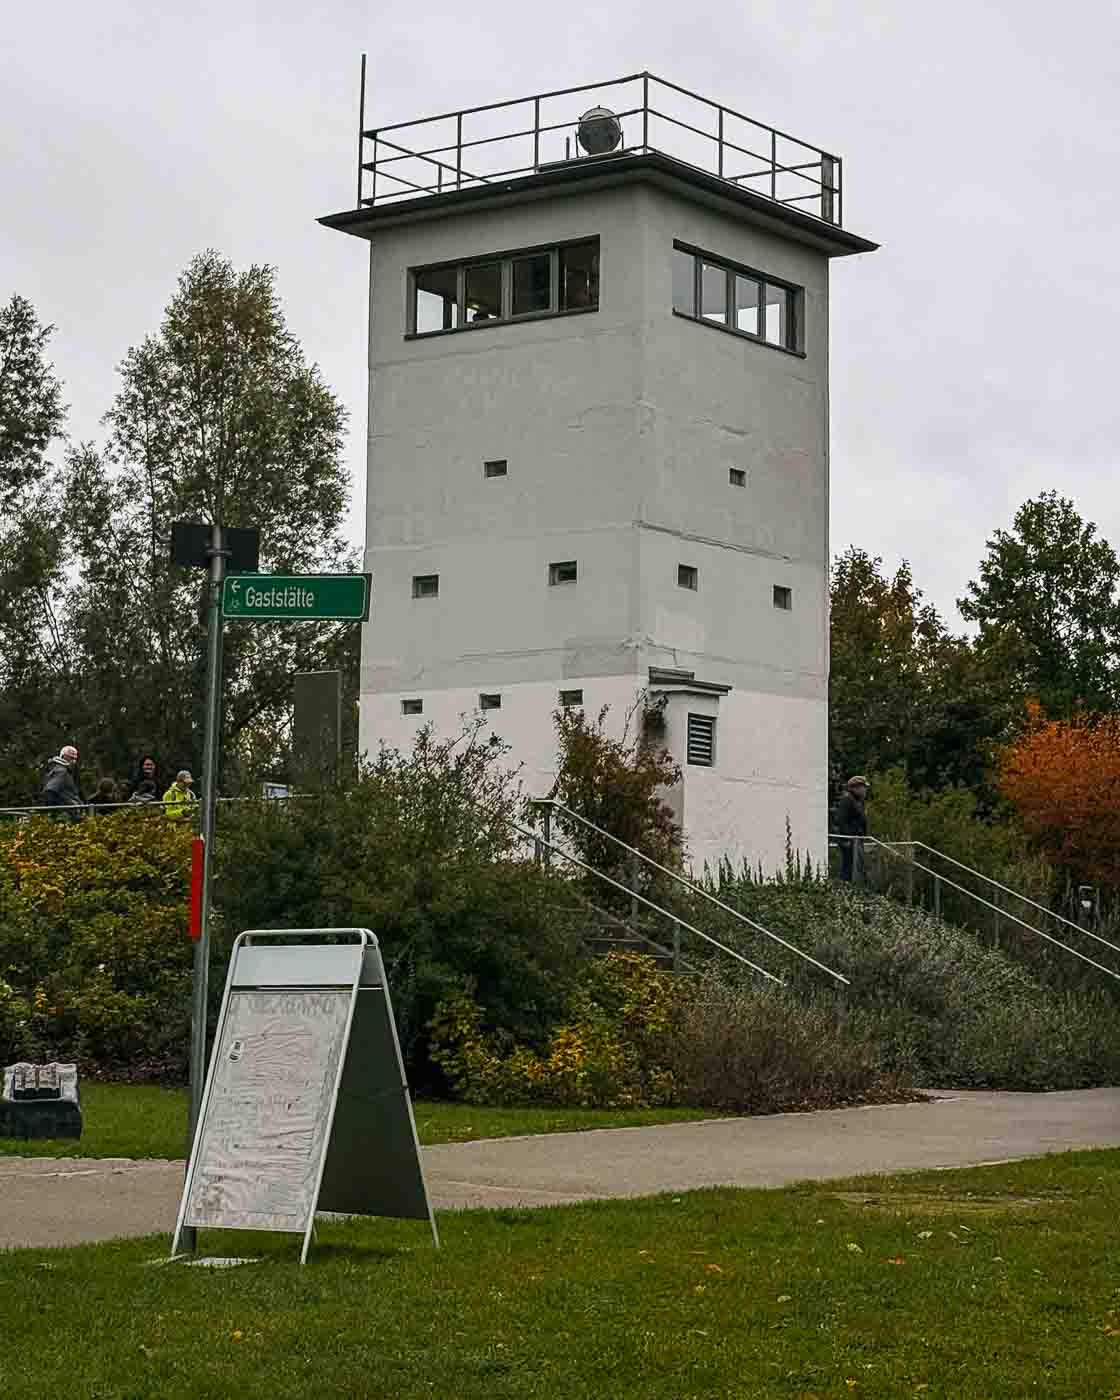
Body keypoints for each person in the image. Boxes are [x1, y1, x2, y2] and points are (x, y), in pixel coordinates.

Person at [833, 775, 869, 883]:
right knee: (848, 868)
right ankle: (844, 889)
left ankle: (851, 888)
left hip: (856, 840)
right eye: (864, 787)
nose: (865, 790)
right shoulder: (847, 800)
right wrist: (847, 839)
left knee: (856, 868)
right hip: (849, 841)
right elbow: (840, 820)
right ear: (856, 788)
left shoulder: (857, 801)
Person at [42, 745, 84, 821]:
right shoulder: (61, 771)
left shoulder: (61, 770)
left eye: (75, 759)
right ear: (63, 757)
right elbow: (50, 791)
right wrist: (57, 812)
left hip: (70, 812)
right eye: (71, 758)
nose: (73, 761)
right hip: (66, 815)